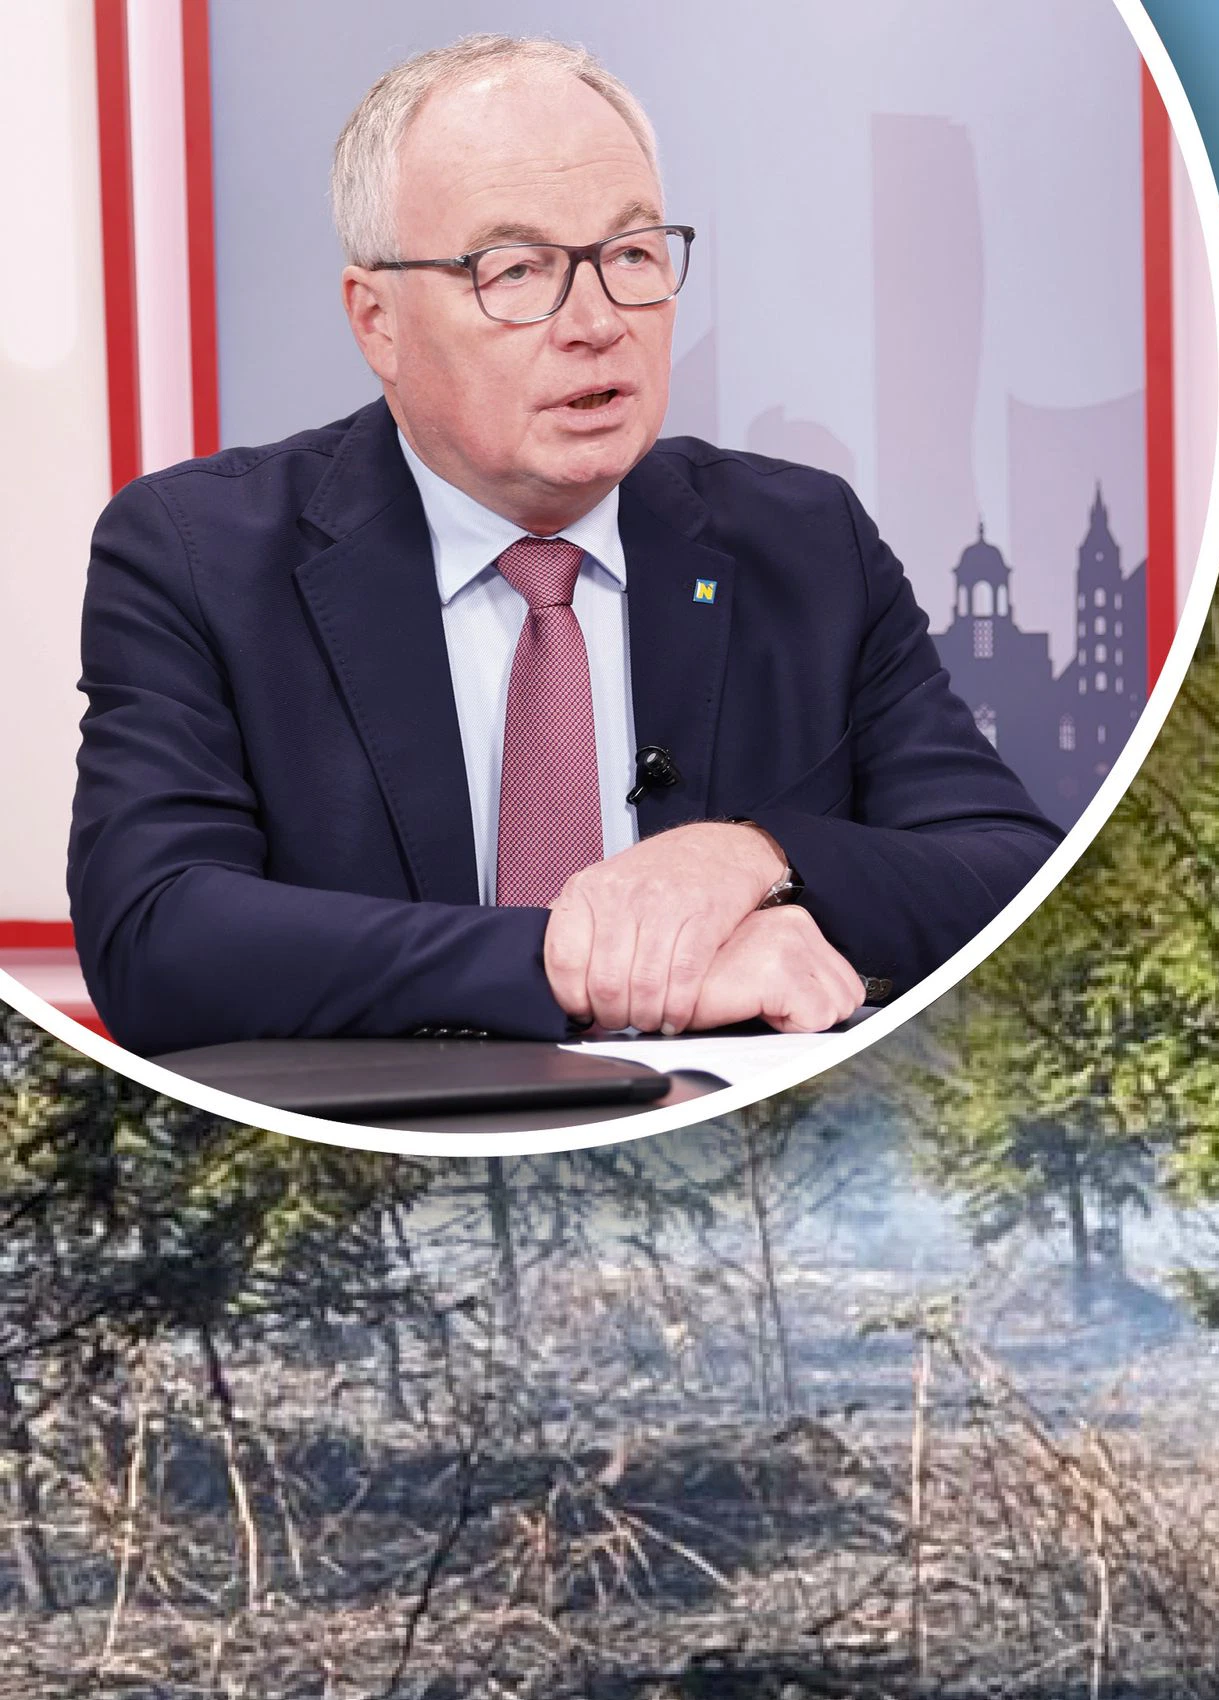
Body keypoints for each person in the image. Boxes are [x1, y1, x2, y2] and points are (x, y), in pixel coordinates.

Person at [72, 36, 1059, 1054]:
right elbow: (159, 935)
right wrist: (582, 963)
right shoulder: (197, 557)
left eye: (631, 255)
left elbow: (1012, 873)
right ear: (379, 322)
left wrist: (753, 857)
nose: (595, 322)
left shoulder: (806, 547)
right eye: (516, 269)